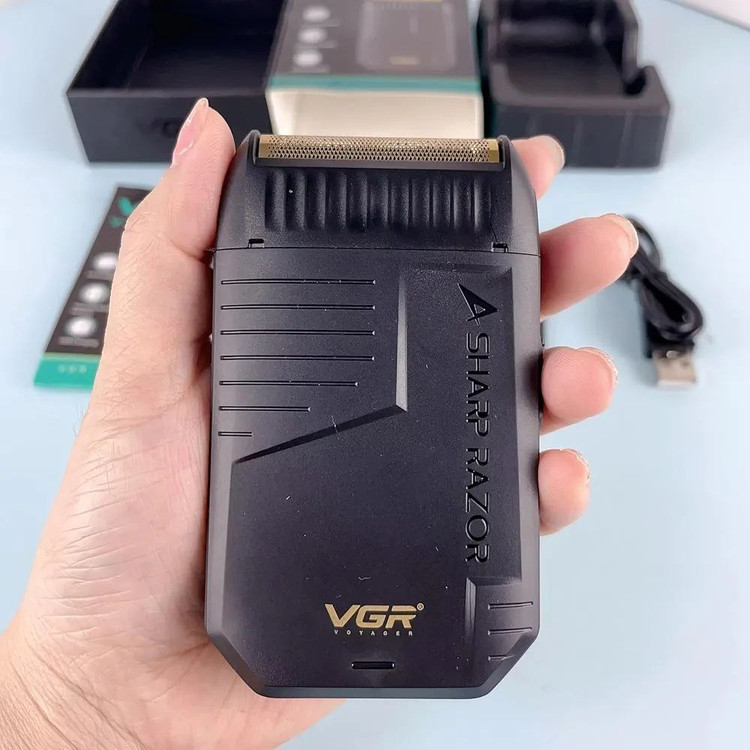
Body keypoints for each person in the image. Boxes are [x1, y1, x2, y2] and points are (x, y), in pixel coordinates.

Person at [0, 100, 636, 749]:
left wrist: (70, 718)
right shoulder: (262, 641)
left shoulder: (262, 640)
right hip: (418, 221)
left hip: (340, 218)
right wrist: (74, 715)